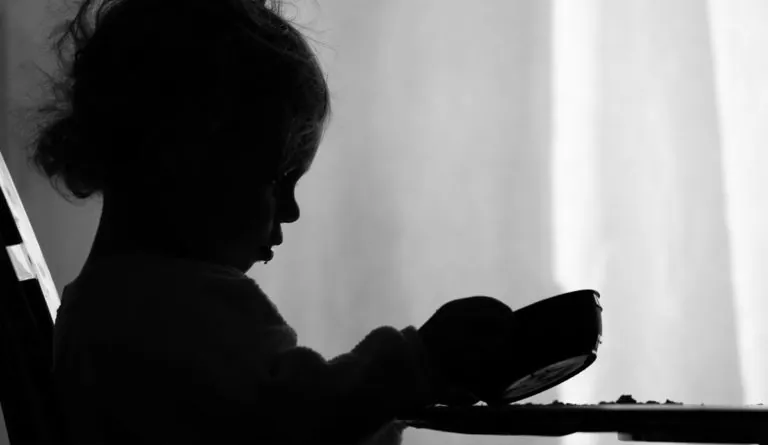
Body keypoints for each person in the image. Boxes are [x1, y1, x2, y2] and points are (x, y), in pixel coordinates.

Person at [25, 0, 521, 443]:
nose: (291, 211)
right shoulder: (176, 306)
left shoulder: (104, 305)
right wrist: (419, 362)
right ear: (186, 157)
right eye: (278, 179)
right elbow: (304, 420)